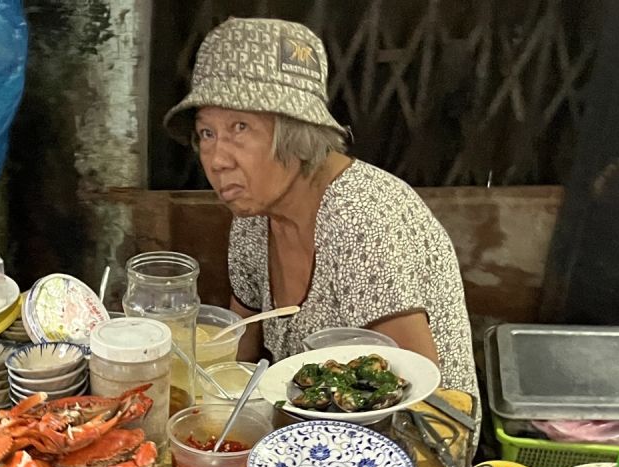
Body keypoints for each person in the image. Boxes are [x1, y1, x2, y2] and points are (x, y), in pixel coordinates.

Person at [164, 17, 477, 395]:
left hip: (410, 437)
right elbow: (240, 346)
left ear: (296, 132)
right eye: (207, 133)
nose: (216, 160)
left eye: (240, 128)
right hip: (307, 417)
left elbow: (416, 392)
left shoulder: (361, 217)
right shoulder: (254, 213)